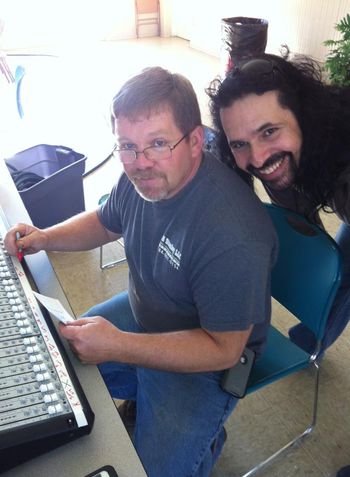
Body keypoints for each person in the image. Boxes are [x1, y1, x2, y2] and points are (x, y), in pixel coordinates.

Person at [4, 66, 277, 477]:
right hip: (145, 311)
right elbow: (107, 219)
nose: (140, 163)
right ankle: (161, 408)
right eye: (127, 146)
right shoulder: (143, 176)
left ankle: (204, 438)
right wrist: (44, 237)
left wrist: (118, 345)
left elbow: (223, 349)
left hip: (207, 360)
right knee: (59, 366)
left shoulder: (232, 234)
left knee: (145, 471)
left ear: (195, 142)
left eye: (158, 144)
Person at [207, 52, 350, 356]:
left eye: (269, 131)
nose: (257, 159)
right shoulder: (290, 154)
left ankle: (310, 344)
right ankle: (310, 343)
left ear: (303, 114)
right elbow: (304, 227)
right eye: (240, 144)